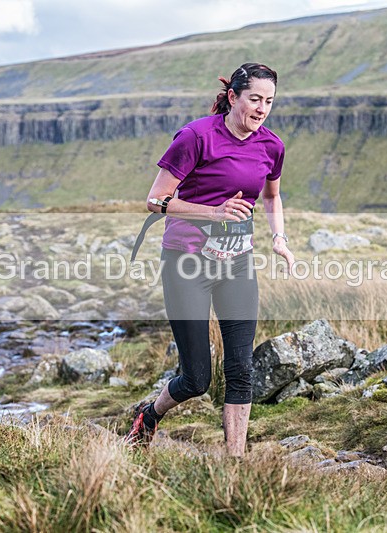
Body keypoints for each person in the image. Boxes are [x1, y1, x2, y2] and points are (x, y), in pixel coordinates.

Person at [125, 63, 294, 457]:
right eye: (255, 99)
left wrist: (279, 239)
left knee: (241, 369)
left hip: (237, 263)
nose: (262, 108)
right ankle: (149, 414)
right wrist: (213, 213)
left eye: (269, 101)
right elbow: (155, 200)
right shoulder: (196, 136)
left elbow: (270, 197)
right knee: (197, 378)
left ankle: (234, 465)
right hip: (186, 262)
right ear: (233, 97)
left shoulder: (272, 145)